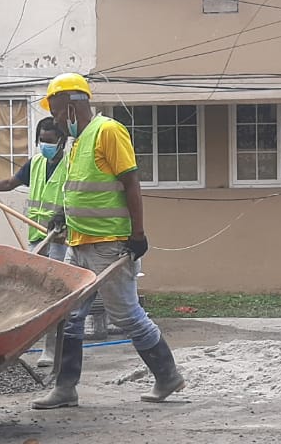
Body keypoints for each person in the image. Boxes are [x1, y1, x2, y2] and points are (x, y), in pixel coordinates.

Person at [30, 72, 185, 410]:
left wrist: (138, 234)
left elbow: (131, 182)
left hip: (110, 245)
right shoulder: (77, 142)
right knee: (70, 315)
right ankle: (65, 388)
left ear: (72, 106)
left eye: (56, 113)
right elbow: (78, 189)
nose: (55, 122)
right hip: (79, 243)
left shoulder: (108, 131)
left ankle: (167, 375)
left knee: (127, 315)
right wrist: (61, 215)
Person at [0, 117, 71, 367]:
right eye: (41, 141)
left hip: (61, 239)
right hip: (38, 239)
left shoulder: (71, 165)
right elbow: (9, 183)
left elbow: (79, 198)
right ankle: (36, 345)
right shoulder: (35, 163)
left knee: (55, 296)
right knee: (38, 296)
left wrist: (65, 218)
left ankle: (52, 349)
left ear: (62, 141)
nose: (44, 146)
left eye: (49, 141)